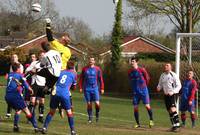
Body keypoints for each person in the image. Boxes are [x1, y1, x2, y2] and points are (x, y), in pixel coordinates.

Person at [41, 61, 77, 135]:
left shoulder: (60, 72)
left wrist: (47, 87)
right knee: (69, 113)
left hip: (55, 93)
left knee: (52, 111)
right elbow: (74, 87)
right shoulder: (74, 74)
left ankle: (44, 127)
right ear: (73, 67)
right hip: (65, 94)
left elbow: (53, 80)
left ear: (66, 66)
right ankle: (73, 131)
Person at [5, 63, 39, 132]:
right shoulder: (19, 75)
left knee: (18, 110)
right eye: (20, 68)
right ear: (18, 69)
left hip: (7, 96)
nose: (21, 69)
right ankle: (36, 127)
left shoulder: (10, 75)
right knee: (27, 111)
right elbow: (25, 84)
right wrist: (30, 89)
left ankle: (15, 126)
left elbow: (17, 82)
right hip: (15, 95)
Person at [128, 56, 154, 128]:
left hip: (143, 91)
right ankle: (137, 123)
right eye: (131, 61)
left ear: (136, 62)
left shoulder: (142, 70)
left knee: (147, 106)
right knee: (135, 107)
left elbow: (147, 78)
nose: (132, 63)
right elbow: (130, 80)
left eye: (133, 61)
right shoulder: (130, 71)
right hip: (135, 92)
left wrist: (144, 86)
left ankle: (151, 120)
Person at [157, 63, 182, 132]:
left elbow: (179, 85)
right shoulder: (162, 75)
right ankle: (174, 126)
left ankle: (177, 125)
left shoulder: (173, 75)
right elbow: (160, 84)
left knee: (173, 109)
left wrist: (173, 91)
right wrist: (158, 87)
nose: (165, 66)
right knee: (169, 111)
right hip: (166, 95)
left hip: (173, 94)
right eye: (165, 65)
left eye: (167, 65)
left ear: (170, 67)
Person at [79, 57, 104, 123]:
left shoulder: (97, 69)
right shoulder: (84, 69)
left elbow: (100, 79)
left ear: (94, 61)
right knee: (89, 104)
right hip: (87, 89)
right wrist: (81, 87)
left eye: (92, 60)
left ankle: (97, 113)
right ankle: (90, 118)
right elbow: (81, 79)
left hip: (95, 88)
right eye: (90, 60)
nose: (91, 61)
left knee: (97, 103)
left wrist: (102, 88)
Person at [25, 51, 46, 123]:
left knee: (42, 101)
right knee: (32, 101)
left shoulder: (47, 64)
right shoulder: (34, 63)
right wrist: (32, 70)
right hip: (35, 84)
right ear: (39, 56)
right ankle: (30, 118)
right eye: (41, 55)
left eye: (43, 55)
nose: (42, 57)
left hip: (43, 84)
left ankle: (41, 117)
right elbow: (27, 70)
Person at [5, 54, 24, 118]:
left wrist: (19, 84)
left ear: (17, 58)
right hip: (11, 84)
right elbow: (9, 75)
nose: (13, 58)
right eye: (12, 57)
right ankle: (8, 113)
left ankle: (19, 111)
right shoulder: (11, 65)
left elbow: (20, 76)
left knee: (17, 98)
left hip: (17, 84)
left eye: (15, 57)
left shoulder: (20, 65)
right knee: (10, 97)